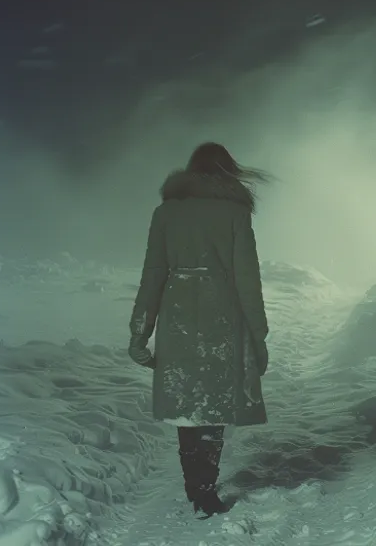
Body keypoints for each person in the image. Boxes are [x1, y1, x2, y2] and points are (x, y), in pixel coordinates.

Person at [127, 142, 271, 518]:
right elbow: (248, 281)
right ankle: (205, 491)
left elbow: (152, 276)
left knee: (186, 406)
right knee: (212, 407)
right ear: (228, 171)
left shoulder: (166, 214)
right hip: (221, 318)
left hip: (177, 319)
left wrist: (139, 332)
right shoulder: (236, 214)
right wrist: (258, 335)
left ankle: (195, 488)